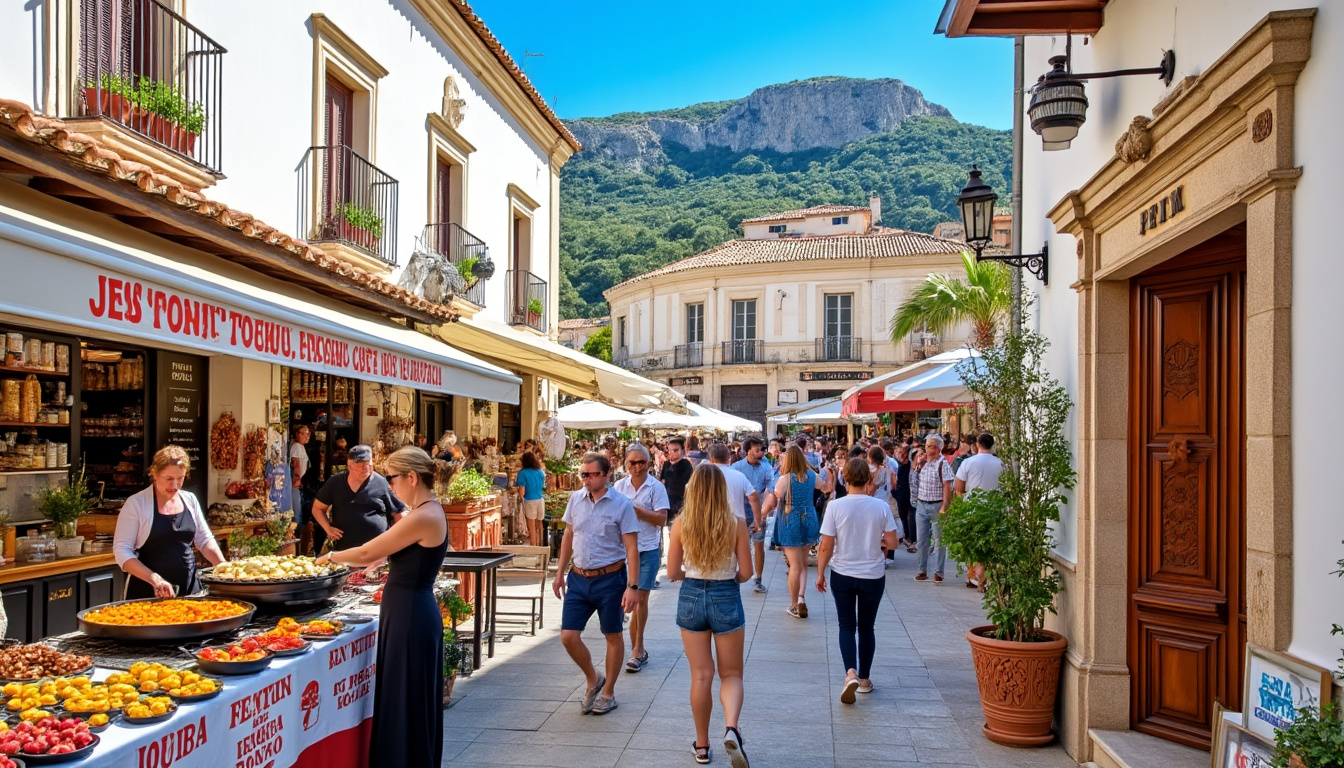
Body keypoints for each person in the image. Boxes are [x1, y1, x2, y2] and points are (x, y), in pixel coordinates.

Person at [314, 447, 448, 766]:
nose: (389, 485)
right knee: (405, 696)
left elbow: (363, 552)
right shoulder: (427, 511)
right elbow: (391, 551)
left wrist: (328, 557)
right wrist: (381, 558)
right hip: (408, 610)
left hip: (410, 614)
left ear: (411, 478)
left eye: (392, 478)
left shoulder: (424, 514)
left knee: (405, 698)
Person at [667, 465, 753, 767]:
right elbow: (748, 572)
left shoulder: (681, 523)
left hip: (691, 594)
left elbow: (673, 571)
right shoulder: (736, 523)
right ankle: (731, 727)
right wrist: (728, 577)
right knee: (731, 674)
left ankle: (701, 746)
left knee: (701, 675)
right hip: (725, 593)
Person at [552, 453, 640, 715]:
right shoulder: (575, 499)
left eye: (591, 474)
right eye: (583, 475)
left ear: (606, 474)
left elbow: (632, 548)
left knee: (612, 635)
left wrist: (632, 586)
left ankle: (609, 692)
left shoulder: (622, 504)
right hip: (579, 577)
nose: (586, 479)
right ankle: (593, 677)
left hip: (611, 578)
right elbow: (569, 535)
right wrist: (559, 573)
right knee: (568, 636)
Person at [815, 459, 898, 704]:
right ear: (869, 479)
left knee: (846, 626)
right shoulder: (880, 506)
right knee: (866, 627)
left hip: (842, 572)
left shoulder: (835, 506)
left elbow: (826, 545)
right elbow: (893, 543)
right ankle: (864, 679)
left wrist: (820, 573)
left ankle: (849, 671)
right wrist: (878, 543)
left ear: (845, 478)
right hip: (872, 574)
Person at [114, 446, 226, 599]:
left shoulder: (190, 499)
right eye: (169, 479)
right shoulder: (136, 504)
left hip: (191, 591)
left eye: (180, 479)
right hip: (148, 594)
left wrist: (224, 568)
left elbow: (204, 539)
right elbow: (122, 551)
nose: (174, 486)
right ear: (154, 473)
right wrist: (155, 579)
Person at [612, 444, 669, 673]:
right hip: (622, 551)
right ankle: (635, 649)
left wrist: (637, 511)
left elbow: (662, 519)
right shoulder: (619, 486)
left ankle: (637, 649)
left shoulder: (656, 488)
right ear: (626, 464)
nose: (637, 467)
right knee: (624, 601)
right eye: (632, 462)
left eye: (641, 462)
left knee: (640, 600)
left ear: (649, 463)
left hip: (647, 549)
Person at [311, 445, 405, 552]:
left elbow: (398, 512)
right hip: (345, 548)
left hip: (377, 549)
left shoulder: (381, 482)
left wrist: (397, 541)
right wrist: (328, 529)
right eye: (360, 464)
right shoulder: (335, 482)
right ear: (350, 464)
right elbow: (317, 508)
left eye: (368, 463)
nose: (365, 467)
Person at [773, 446, 820, 618]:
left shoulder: (785, 478)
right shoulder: (812, 476)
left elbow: (776, 494)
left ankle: (794, 604)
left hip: (791, 518)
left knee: (794, 565)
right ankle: (801, 597)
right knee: (803, 563)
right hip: (809, 517)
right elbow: (826, 487)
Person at [955, 432, 1004, 590]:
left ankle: (975, 576)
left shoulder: (968, 463)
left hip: (972, 508)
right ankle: (988, 578)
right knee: (991, 544)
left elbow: (958, 487)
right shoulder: (1001, 463)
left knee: (973, 544)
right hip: (995, 508)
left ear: (977, 444)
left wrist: (959, 506)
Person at [730, 437, 776, 595]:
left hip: (758, 510)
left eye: (762, 450)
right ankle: (732, 576)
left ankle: (758, 579)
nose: (761, 453)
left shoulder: (766, 466)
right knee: (736, 545)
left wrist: (764, 512)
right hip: (739, 511)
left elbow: (771, 490)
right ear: (747, 451)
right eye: (757, 450)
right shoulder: (736, 467)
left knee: (758, 544)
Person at [913, 435, 956, 583]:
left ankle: (938, 572)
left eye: (929, 446)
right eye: (926, 445)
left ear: (937, 448)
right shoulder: (924, 462)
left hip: (937, 504)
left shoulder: (943, 464)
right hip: (922, 504)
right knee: (922, 540)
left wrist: (945, 505)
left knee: (939, 540)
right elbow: (915, 480)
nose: (925, 448)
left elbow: (947, 486)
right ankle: (922, 569)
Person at [708, 445, 761, 533]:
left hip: (710, 524)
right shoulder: (739, 475)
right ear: (728, 458)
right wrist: (757, 521)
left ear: (711, 459)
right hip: (737, 524)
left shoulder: (703, 476)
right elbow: (753, 497)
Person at [515, 450, 548, 547]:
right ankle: (540, 545)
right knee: (539, 524)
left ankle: (533, 547)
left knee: (531, 526)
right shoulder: (540, 472)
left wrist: (520, 499)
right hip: (540, 499)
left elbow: (522, 490)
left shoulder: (522, 473)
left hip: (529, 500)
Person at [660, 436, 695, 527]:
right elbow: (662, 481)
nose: (672, 453)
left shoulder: (686, 465)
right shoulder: (666, 464)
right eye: (670, 450)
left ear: (681, 451)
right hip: (667, 503)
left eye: (675, 450)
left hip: (681, 503)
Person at [290, 424, 313, 553]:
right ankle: (296, 549)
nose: (307, 436)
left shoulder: (300, 447)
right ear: (297, 434)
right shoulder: (297, 448)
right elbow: (296, 465)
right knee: (296, 518)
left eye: (308, 433)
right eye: (304, 433)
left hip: (299, 485)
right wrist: (297, 479)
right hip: (296, 486)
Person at [892, 443, 916, 553]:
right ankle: (911, 536)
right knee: (910, 514)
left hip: (901, 490)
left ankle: (906, 535)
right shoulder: (910, 464)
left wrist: (894, 492)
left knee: (903, 515)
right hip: (908, 489)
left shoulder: (898, 464)